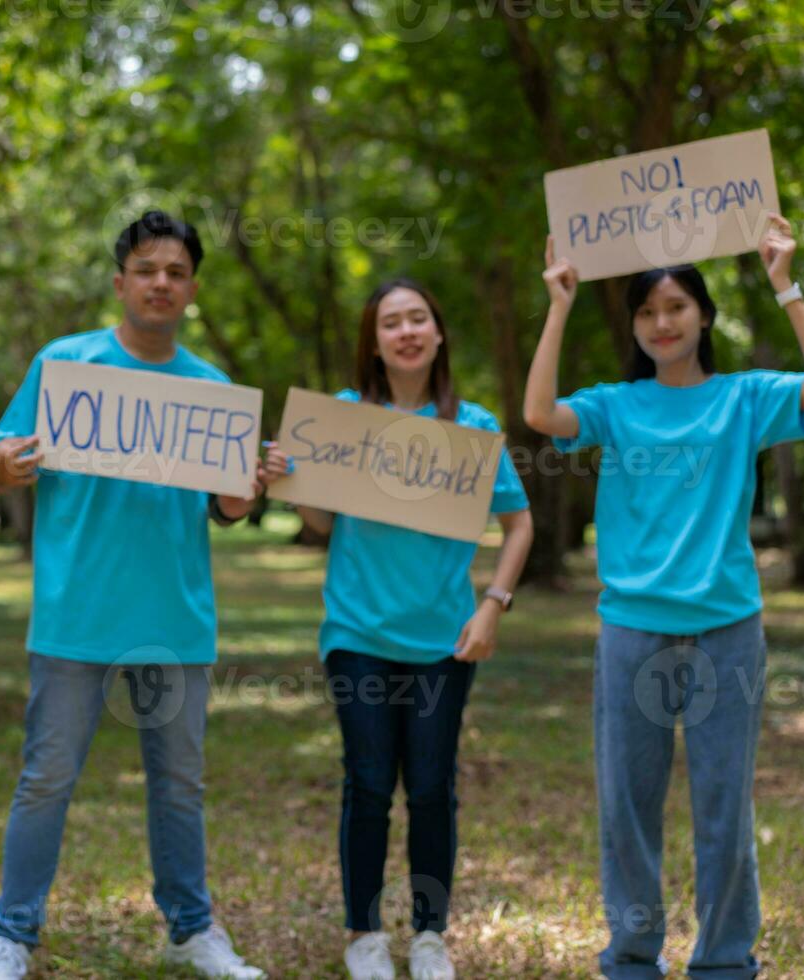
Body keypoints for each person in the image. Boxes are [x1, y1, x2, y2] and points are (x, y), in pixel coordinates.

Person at [522, 215, 804, 979]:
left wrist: (785, 284)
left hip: (727, 631)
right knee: (626, 810)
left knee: (724, 807)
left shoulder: (744, 398)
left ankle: (725, 961)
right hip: (632, 630)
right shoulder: (615, 403)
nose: (662, 323)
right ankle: (633, 958)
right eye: (647, 311)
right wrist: (560, 304)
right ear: (635, 325)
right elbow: (540, 415)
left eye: (676, 307)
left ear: (703, 315)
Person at [0, 210, 270, 980]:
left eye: (175, 272)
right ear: (120, 282)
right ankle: (13, 937)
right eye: (147, 270)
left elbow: (230, 509)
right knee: (45, 781)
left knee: (178, 786)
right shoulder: (65, 365)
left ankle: (193, 929)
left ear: (191, 288)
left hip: (174, 619)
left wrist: (252, 484)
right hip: (75, 615)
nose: (160, 282)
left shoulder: (215, 391)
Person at [264, 278, 534, 980]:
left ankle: (429, 934)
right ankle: (364, 935)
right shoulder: (340, 422)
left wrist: (493, 605)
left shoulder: (472, 427)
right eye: (392, 322)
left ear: (439, 334)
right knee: (369, 784)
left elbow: (520, 522)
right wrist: (290, 484)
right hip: (356, 636)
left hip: (446, 640)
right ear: (375, 342)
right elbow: (319, 527)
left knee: (435, 787)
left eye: (419, 318)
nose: (407, 330)